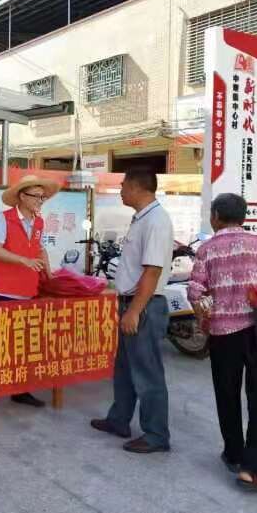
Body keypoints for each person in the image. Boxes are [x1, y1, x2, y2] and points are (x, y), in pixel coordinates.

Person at [187, 193, 257, 493]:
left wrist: (208, 309)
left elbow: (195, 291)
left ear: (216, 216)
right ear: (243, 217)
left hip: (223, 335)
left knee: (227, 394)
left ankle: (233, 453)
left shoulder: (207, 249)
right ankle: (252, 470)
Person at [91, 167, 174, 453]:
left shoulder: (156, 221)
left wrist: (135, 311)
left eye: (124, 185)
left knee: (148, 373)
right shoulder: (141, 218)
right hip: (132, 302)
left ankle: (156, 435)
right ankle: (119, 420)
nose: (121, 191)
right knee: (125, 368)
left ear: (138, 187)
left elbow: (152, 271)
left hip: (144, 306)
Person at [0, 175, 59, 408]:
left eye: (43, 197)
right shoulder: (3, 219)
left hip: (29, 290)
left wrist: (49, 273)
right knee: (0, 342)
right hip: (5, 290)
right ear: (21, 196)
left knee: (24, 343)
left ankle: (20, 390)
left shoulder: (38, 222)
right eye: (36, 196)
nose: (40, 201)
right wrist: (24, 261)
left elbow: (40, 250)